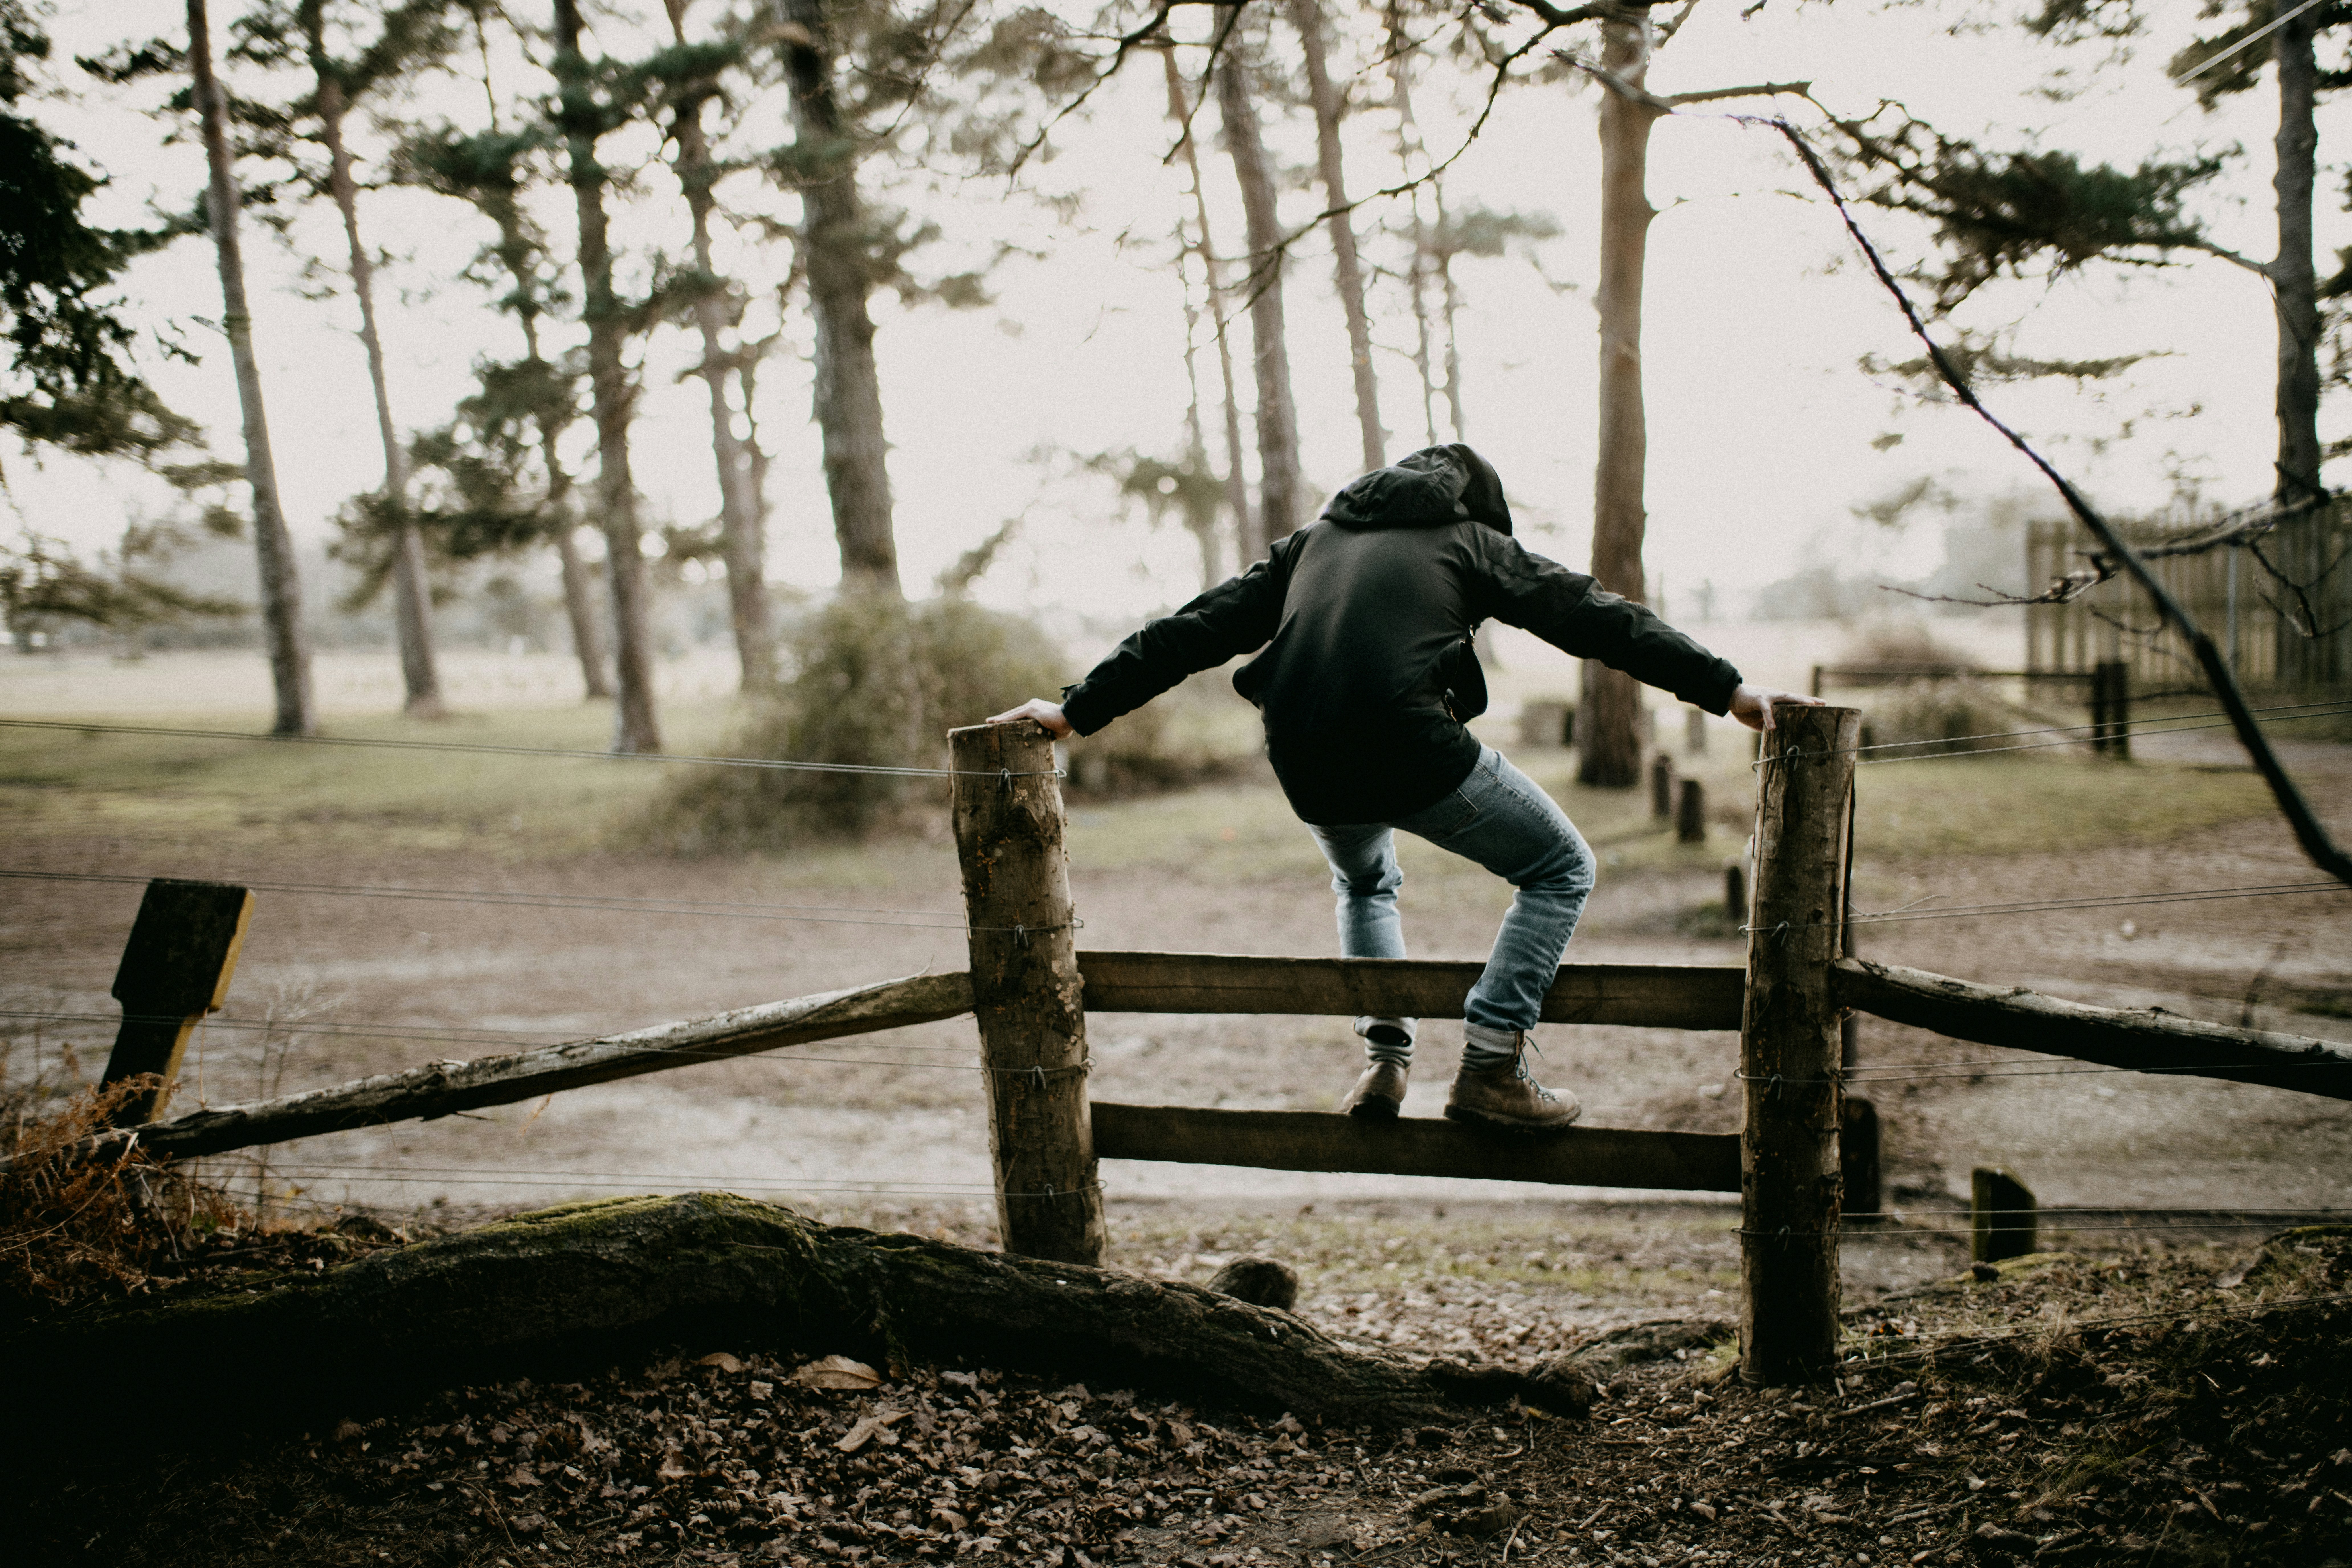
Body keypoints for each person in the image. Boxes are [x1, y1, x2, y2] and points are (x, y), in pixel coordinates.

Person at [989, 444, 1818, 1132]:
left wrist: (1074, 712)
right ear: (1478, 508)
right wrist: (1727, 689)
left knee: (1363, 878)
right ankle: (1492, 1067)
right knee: (1561, 868)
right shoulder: (1473, 542)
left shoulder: (1313, 541)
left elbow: (1192, 629)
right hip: (1407, 747)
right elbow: (1595, 615)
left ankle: (1385, 1064)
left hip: (1302, 755)